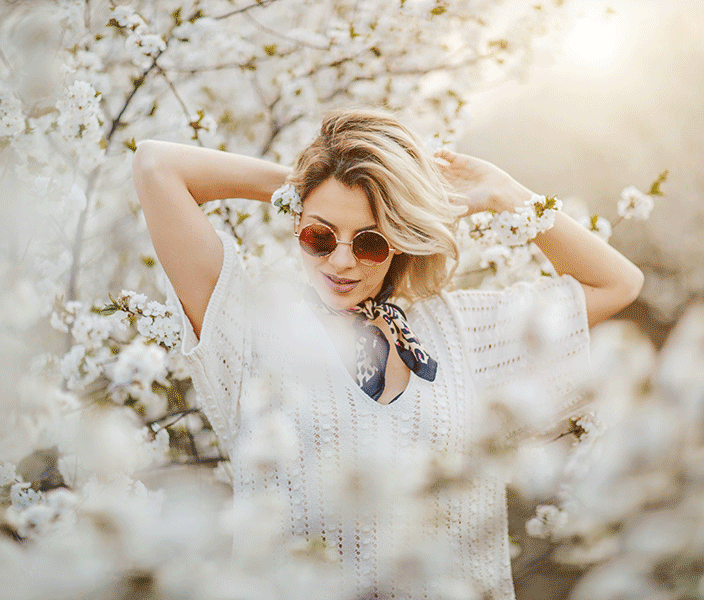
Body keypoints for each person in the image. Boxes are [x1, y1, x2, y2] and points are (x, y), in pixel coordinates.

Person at [132, 109, 643, 599]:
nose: (341, 260)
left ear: (401, 242)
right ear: (296, 223)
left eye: (370, 242)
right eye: (320, 235)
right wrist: (305, 184)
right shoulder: (253, 332)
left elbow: (618, 283)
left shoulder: (460, 330)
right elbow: (157, 165)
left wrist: (507, 194)